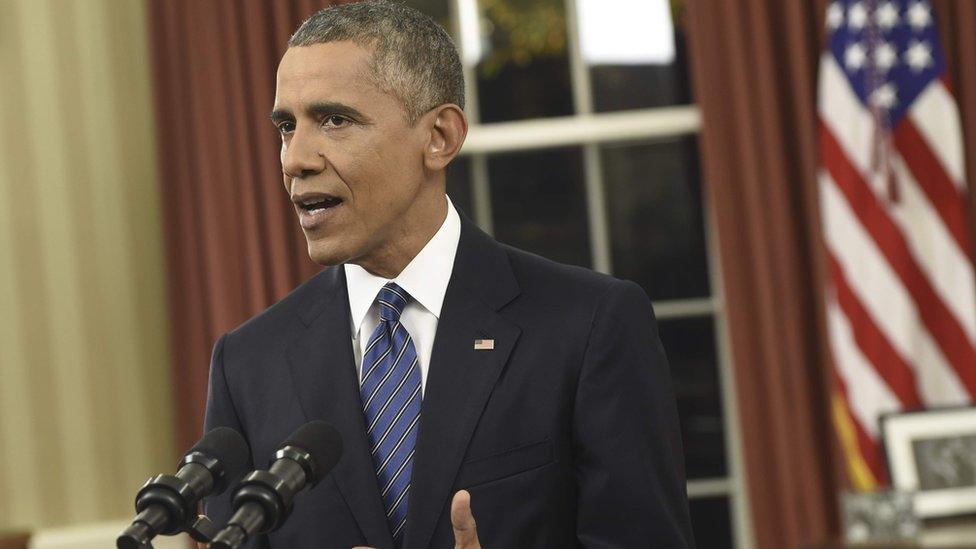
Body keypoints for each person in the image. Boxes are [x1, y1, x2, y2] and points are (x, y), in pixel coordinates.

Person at [203, 1, 695, 548]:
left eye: (334, 120)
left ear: (439, 136)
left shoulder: (588, 327)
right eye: (286, 126)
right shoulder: (247, 365)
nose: (295, 158)